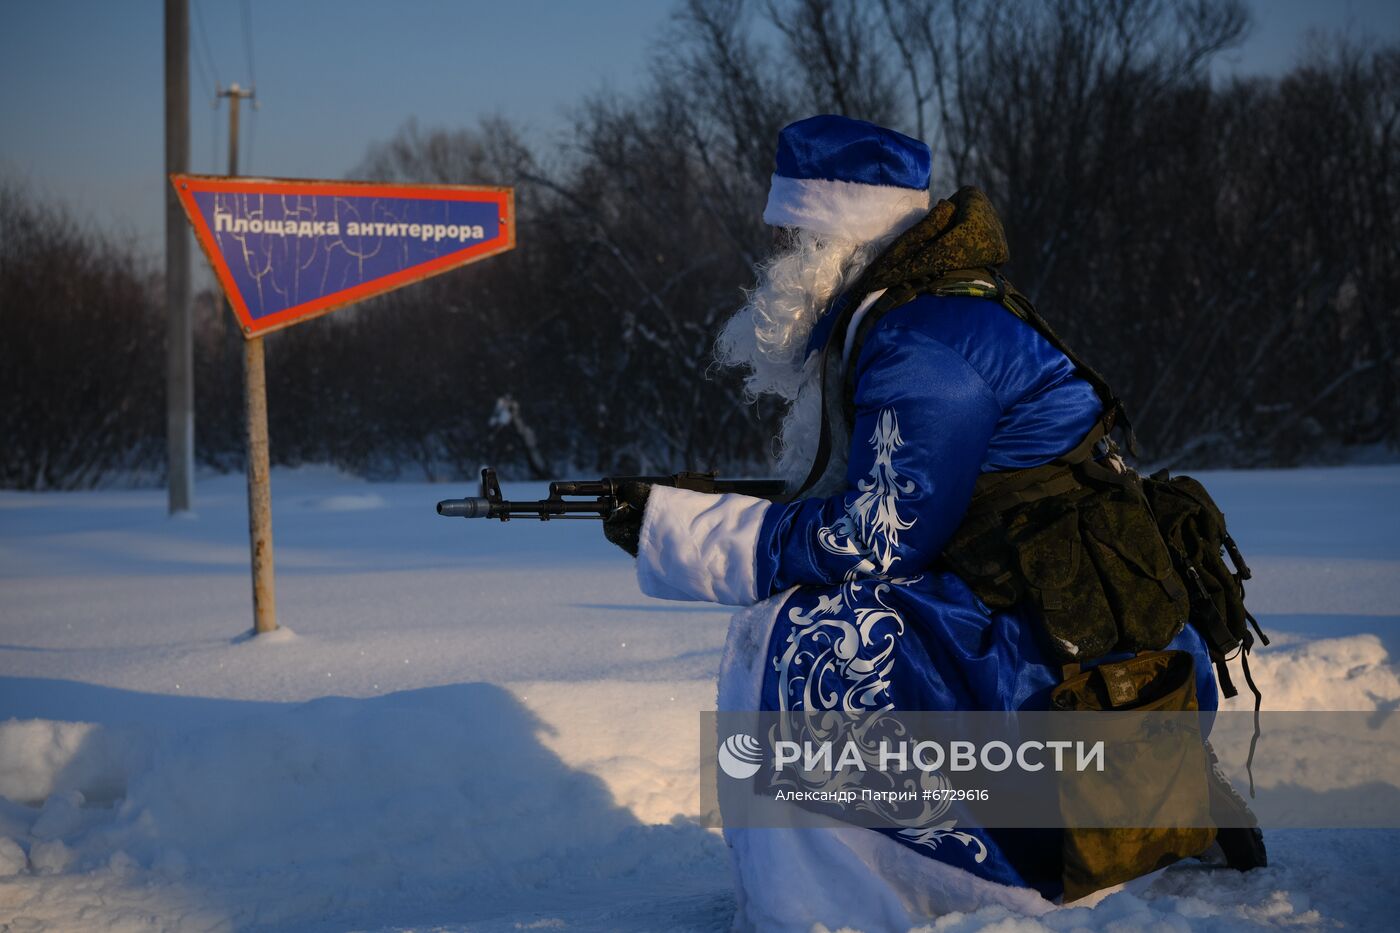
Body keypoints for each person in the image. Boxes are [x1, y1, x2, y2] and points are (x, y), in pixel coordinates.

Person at [603, 114, 1224, 930]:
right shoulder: (932, 308)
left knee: (798, 637)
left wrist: (696, 534)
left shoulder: (919, 339)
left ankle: (848, 901)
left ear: (844, 233)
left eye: (796, 235)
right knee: (815, 622)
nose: (780, 258)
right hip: (1064, 626)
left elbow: (880, 535)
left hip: (1058, 664)